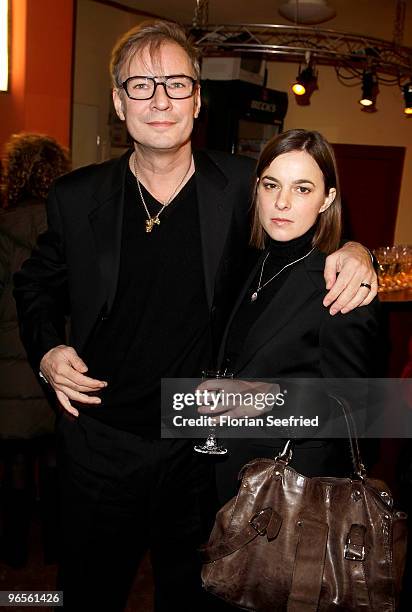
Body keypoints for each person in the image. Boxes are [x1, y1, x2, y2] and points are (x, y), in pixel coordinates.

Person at [13, 21, 377, 612]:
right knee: (88, 594)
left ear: (198, 99)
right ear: (117, 102)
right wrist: (49, 350)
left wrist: (355, 250)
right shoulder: (76, 198)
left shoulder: (240, 187)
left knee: (196, 598)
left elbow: (301, 229)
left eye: (177, 84)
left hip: (200, 452)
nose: (161, 100)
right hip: (100, 446)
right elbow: (34, 284)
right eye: (142, 85)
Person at [198, 129, 380, 509]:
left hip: (288, 495)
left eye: (302, 189)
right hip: (229, 479)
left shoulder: (340, 284)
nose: (281, 202)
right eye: (271, 185)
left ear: (327, 199)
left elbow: (356, 410)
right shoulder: (253, 261)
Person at [0, 133, 70, 566]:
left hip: (7, 373)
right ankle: (56, 548)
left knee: (12, 466)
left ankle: (12, 552)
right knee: (55, 463)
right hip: (53, 365)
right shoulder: (67, 225)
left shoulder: (1, 227)